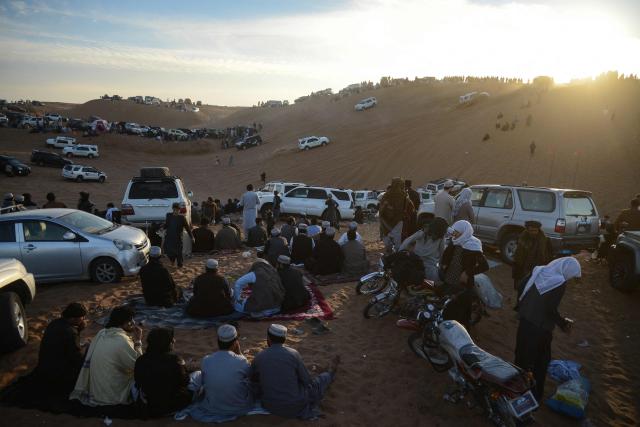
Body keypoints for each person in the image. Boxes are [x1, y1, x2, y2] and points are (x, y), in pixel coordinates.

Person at [515, 257, 581, 401]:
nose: (569, 278)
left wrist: (528, 305)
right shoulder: (559, 282)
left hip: (525, 320)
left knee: (521, 356)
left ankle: (515, 388)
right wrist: (563, 323)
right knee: (540, 362)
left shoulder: (540, 270)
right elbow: (550, 310)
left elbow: (520, 286)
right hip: (540, 329)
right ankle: (534, 395)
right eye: (571, 275)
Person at [251, 324, 340, 419]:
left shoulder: (259, 357)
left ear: (268, 338)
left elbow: (254, 381)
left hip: (270, 406)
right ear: (284, 339)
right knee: (318, 383)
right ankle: (329, 373)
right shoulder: (293, 354)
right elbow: (307, 381)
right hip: (295, 405)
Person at [70, 306, 143, 408]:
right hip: (112, 397)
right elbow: (139, 365)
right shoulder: (122, 340)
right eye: (130, 321)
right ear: (123, 322)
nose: (134, 323)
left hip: (95, 393)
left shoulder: (101, 333)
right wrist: (138, 341)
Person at [181, 325, 254, 422]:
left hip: (213, 407)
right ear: (235, 343)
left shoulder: (207, 360)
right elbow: (249, 375)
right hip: (239, 408)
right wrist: (239, 352)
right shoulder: (241, 361)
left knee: (198, 375)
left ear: (218, 341)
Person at [439, 220, 489, 328]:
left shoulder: (474, 245)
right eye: (454, 231)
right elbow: (446, 254)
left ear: (464, 232)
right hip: (449, 277)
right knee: (445, 304)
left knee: (460, 309)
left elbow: (485, 266)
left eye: (457, 232)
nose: (454, 234)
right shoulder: (455, 241)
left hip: (462, 283)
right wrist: (444, 264)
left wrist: (468, 272)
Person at [134, 328, 193, 417]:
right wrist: (183, 366)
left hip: (150, 405)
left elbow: (138, 382)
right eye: (171, 339)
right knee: (197, 376)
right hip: (172, 406)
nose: (174, 340)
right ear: (166, 343)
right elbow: (185, 381)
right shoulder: (175, 361)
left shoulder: (141, 360)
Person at [512, 220, 553, 290]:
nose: (533, 233)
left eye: (535, 230)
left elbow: (548, 256)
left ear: (538, 230)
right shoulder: (522, 239)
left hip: (537, 269)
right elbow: (517, 257)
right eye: (531, 230)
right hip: (523, 269)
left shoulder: (545, 240)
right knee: (521, 289)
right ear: (527, 230)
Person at [379, 178, 413, 252]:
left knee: (387, 238)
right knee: (397, 239)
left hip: (386, 221)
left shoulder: (386, 195)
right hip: (398, 221)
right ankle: (397, 254)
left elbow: (381, 209)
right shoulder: (404, 195)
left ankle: (389, 252)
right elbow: (411, 207)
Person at [164, 202, 193, 268]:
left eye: (178, 210)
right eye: (175, 209)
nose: (176, 211)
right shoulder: (168, 215)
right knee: (169, 252)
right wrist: (161, 227)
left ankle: (180, 264)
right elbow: (166, 225)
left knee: (179, 252)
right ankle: (172, 261)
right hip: (169, 237)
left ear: (179, 210)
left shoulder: (182, 218)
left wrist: (192, 237)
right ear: (173, 209)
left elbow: (187, 228)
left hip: (178, 238)